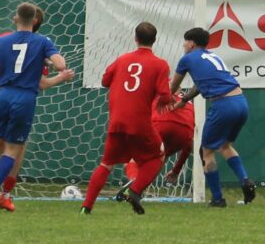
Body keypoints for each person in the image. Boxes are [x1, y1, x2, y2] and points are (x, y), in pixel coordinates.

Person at [0, 7, 74, 212]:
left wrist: (0, 68)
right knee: (13, 149)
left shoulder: (2, 40)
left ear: (15, 18)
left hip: (2, 95)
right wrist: (54, 65)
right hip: (24, 98)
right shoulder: (42, 42)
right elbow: (61, 65)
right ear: (35, 20)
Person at [80, 22, 171, 215]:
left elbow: (105, 80)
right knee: (158, 156)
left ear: (135, 38)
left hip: (117, 120)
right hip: (140, 122)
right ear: (154, 40)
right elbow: (165, 95)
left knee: (106, 163)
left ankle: (86, 207)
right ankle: (136, 190)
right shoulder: (160, 64)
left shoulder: (122, 59)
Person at [169, 27, 256, 207]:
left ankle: (217, 199)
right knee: (225, 145)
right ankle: (245, 180)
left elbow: (173, 86)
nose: (184, 45)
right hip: (240, 102)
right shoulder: (212, 56)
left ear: (191, 43)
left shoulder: (187, 59)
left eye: (185, 41)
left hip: (224, 104)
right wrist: (185, 99)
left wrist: (165, 99)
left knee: (205, 151)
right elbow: (200, 86)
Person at [116, 89, 194, 201]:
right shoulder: (188, 99)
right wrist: (176, 170)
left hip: (161, 124)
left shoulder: (158, 83)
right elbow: (189, 145)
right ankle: (137, 190)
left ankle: (134, 182)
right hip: (185, 134)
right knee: (160, 158)